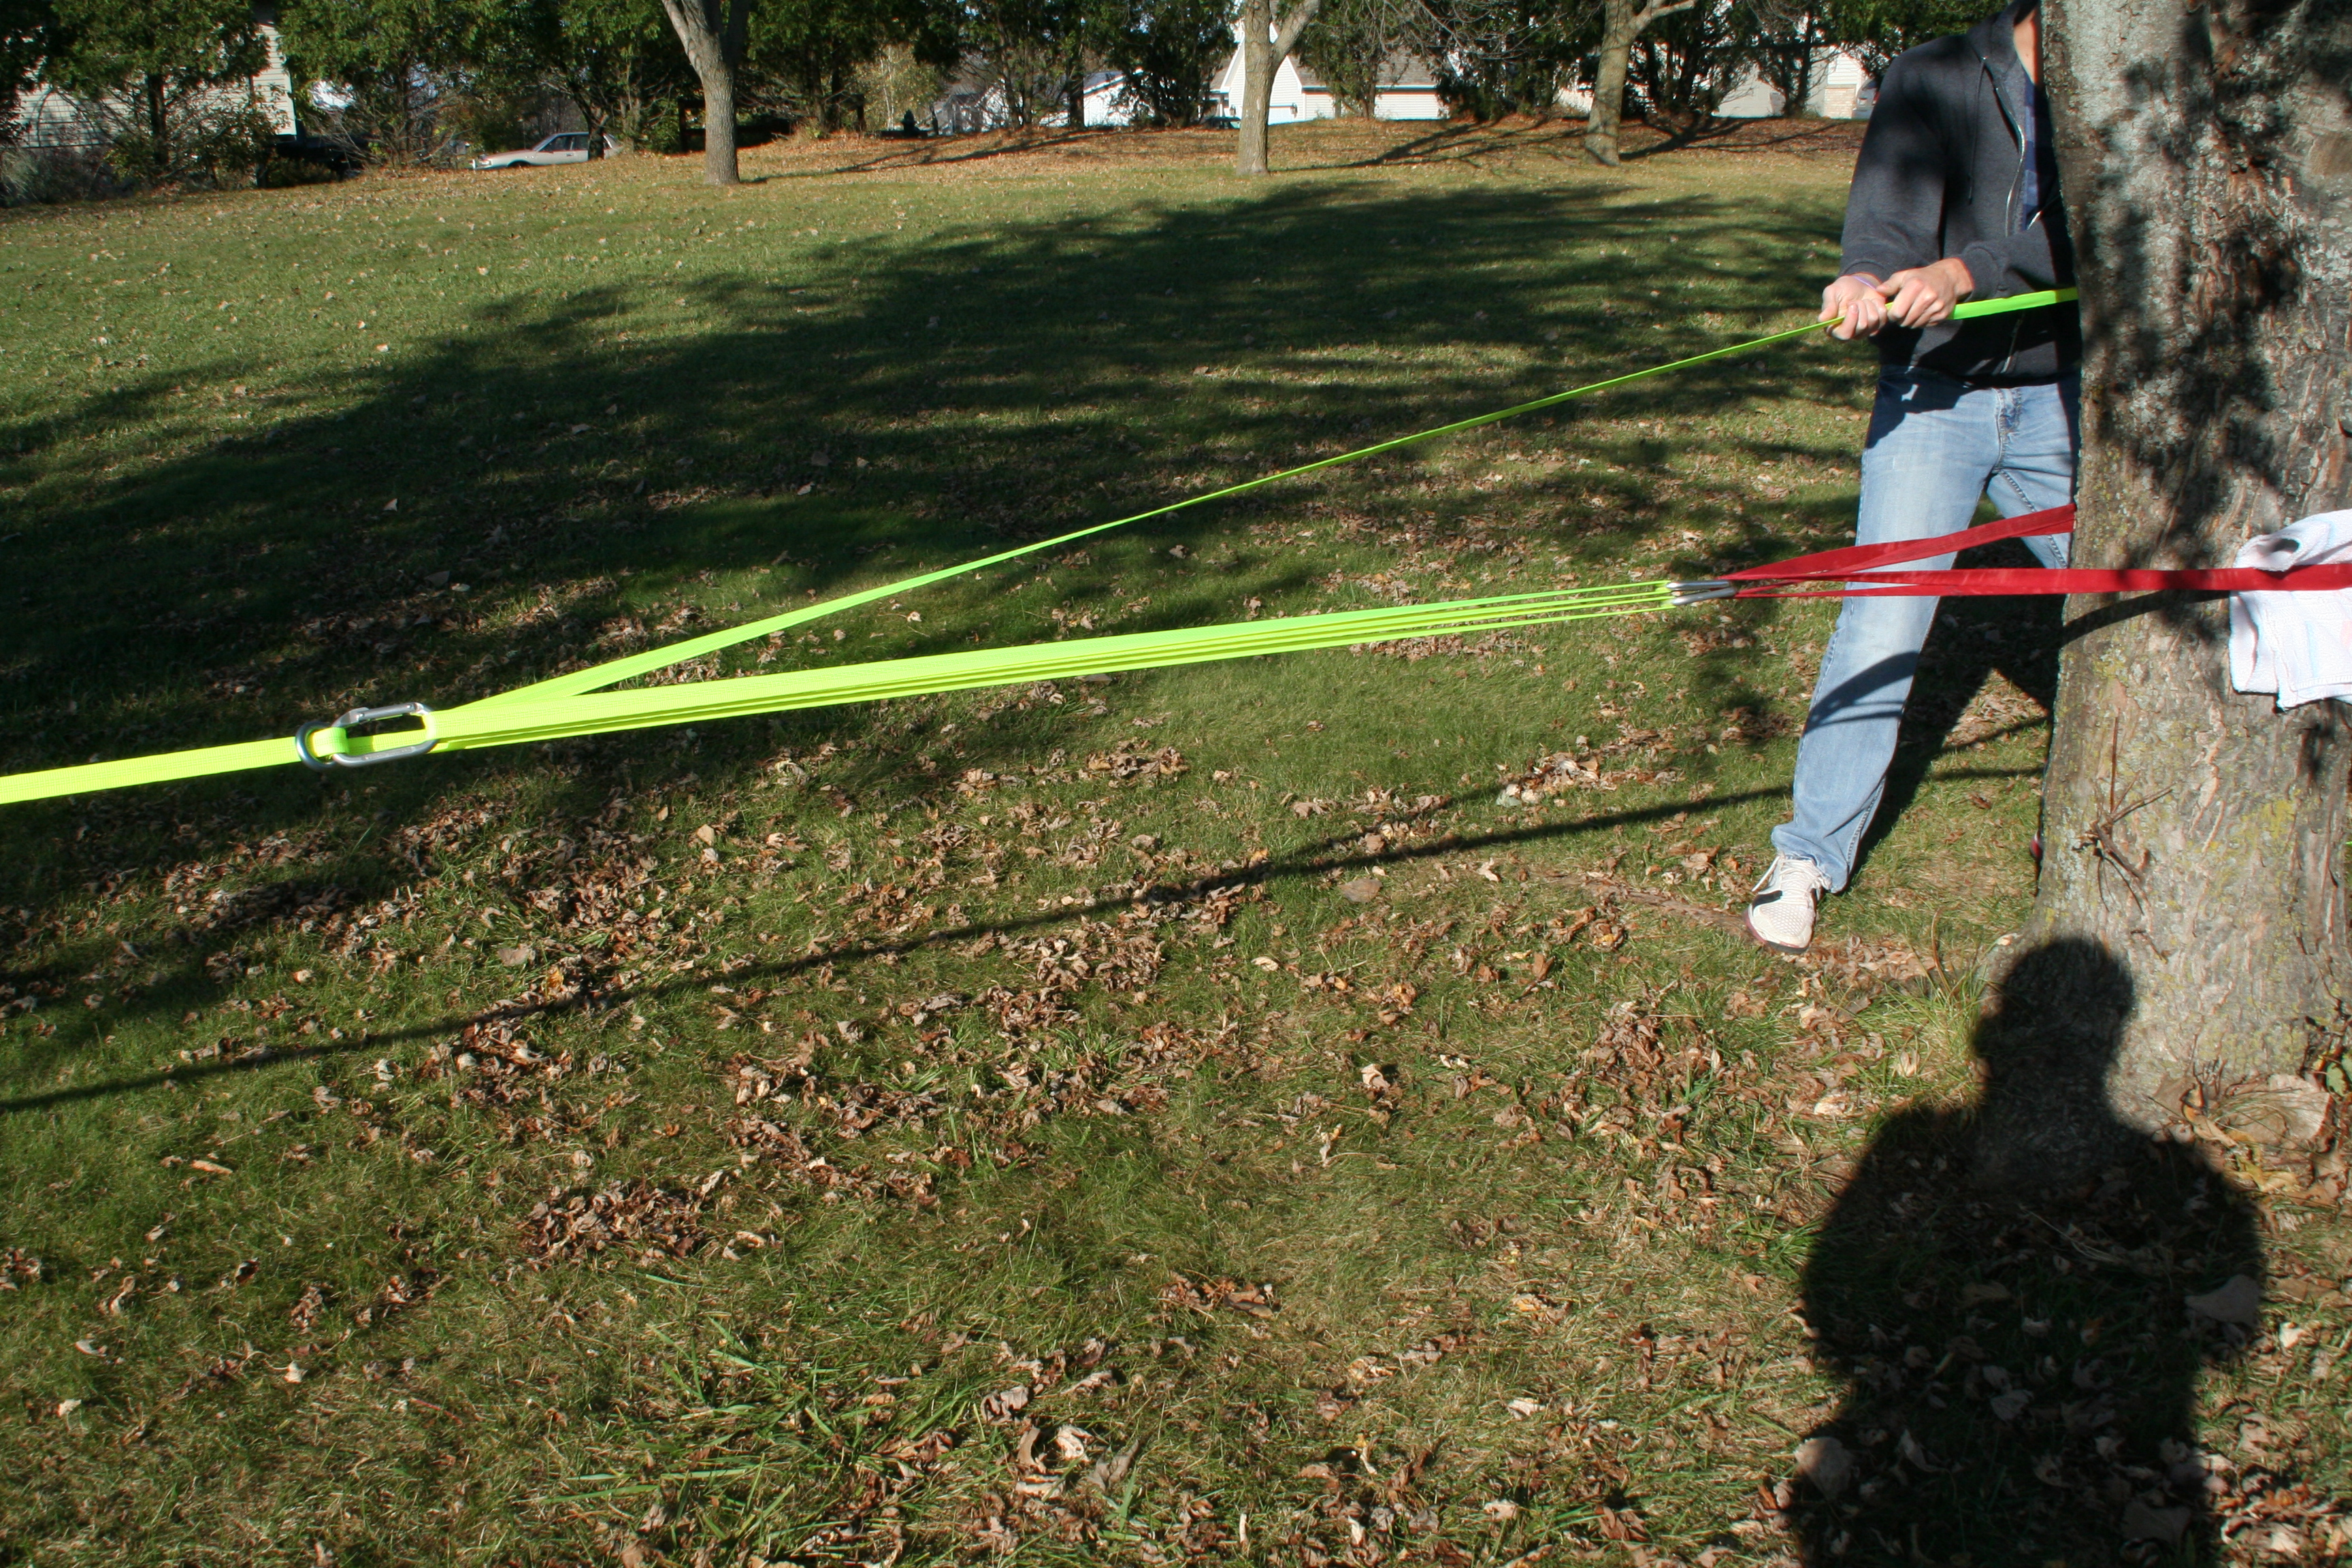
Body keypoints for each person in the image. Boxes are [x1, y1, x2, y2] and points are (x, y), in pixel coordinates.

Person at [1745, 0, 2079, 953]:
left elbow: (2109, 234)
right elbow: (1888, 218)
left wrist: (1967, 273)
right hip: (1934, 395)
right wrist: (1865, 278)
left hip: (2065, 394)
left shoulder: (2126, 91)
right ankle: (1808, 854)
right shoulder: (1934, 74)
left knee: (2134, 609)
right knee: (1883, 616)